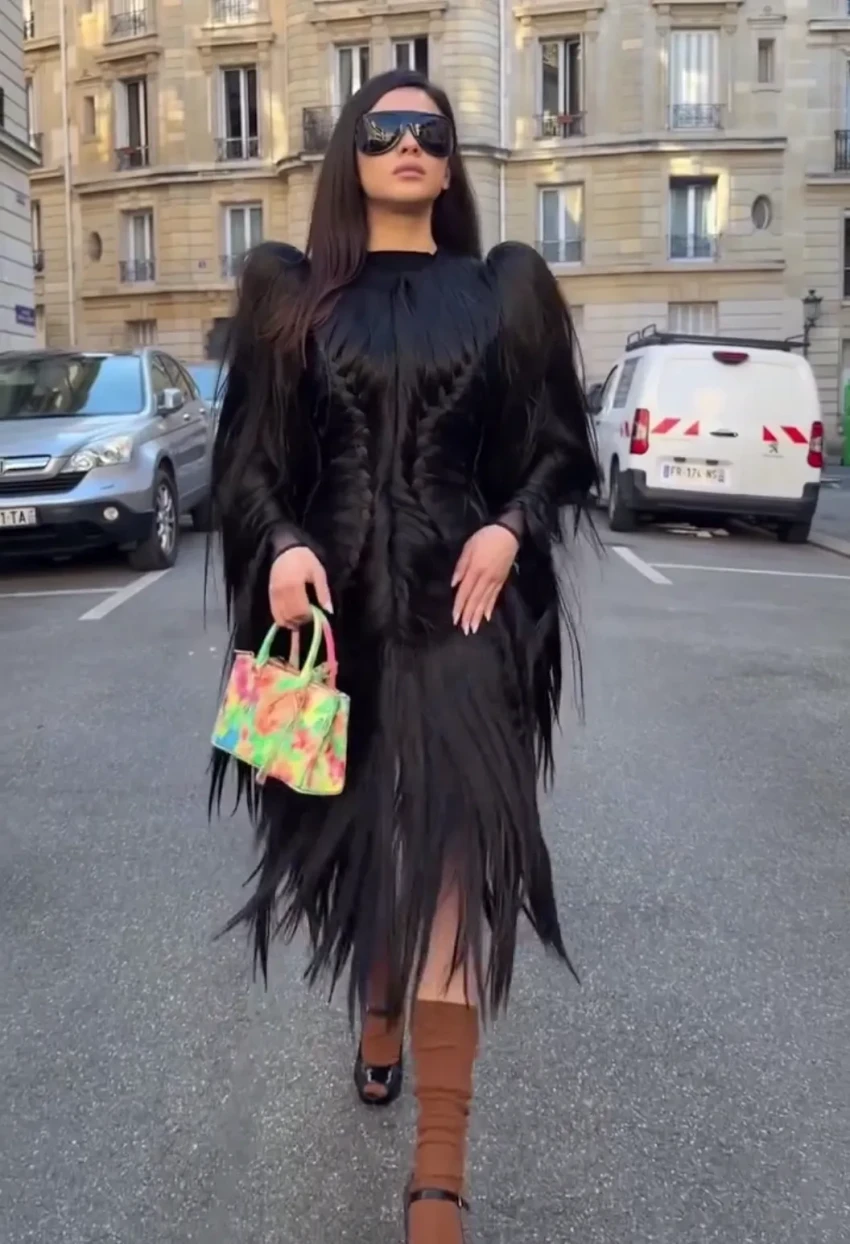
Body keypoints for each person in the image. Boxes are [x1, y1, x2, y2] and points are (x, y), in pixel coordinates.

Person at [209, 67, 598, 1243]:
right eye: (383, 129)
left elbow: (560, 452)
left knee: (450, 861)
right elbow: (246, 466)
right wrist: (280, 542)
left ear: (450, 159)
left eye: (430, 130)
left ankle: (437, 1177)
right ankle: (375, 1004)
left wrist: (509, 524)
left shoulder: (500, 290)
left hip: (463, 624)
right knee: (352, 843)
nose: (408, 144)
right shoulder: (288, 293)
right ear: (352, 154)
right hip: (324, 629)